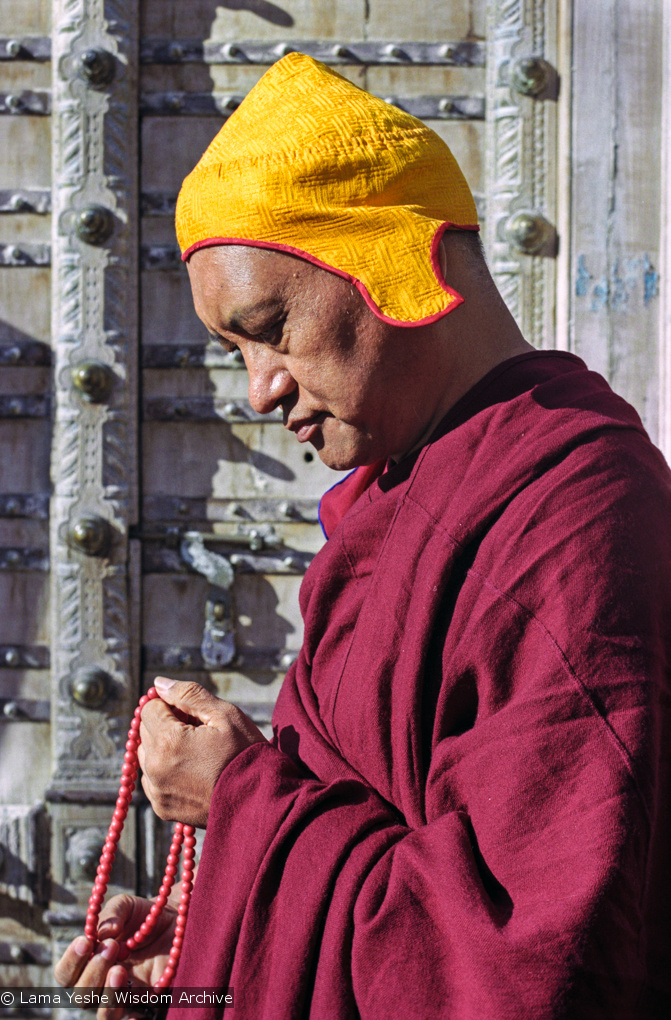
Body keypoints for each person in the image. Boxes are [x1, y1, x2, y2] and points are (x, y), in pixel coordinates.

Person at [55, 54, 671, 1018]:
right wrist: (216, 932)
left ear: (386, 256)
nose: (260, 389)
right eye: (234, 351)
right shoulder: (404, 489)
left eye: (271, 327)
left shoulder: (572, 518)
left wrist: (239, 801)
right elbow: (363, 830)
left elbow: (526, 964)